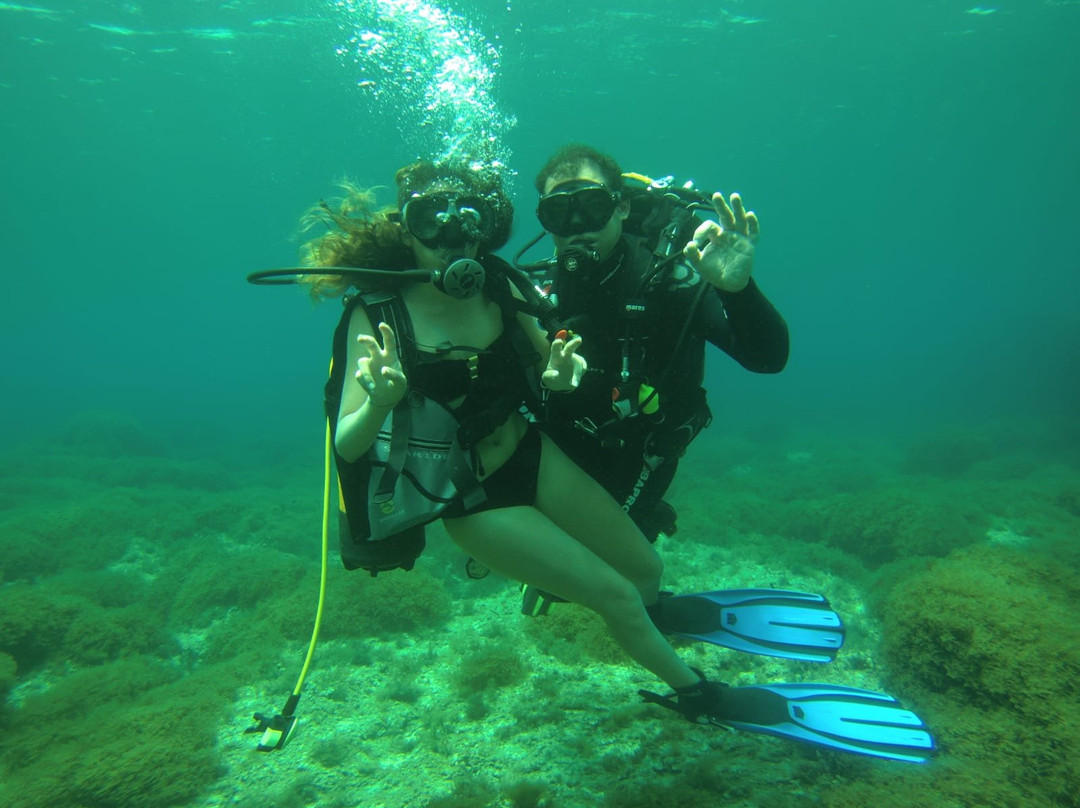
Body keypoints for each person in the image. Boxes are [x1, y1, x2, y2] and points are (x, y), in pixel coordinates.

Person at [288, 158, 935, 765]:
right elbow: (348, 445)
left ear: (487, 226)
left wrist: (560, 378)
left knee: (647, 570)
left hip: (531, 453)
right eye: (430, 222)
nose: (451, 240)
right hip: (469, 496)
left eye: (467, 222)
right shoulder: (377, 312)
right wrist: (380, 403)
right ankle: (702, 696)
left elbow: (551, 364)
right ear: (405, 228)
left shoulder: (501, 284)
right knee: (618, 596)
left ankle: (651, 616)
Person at [528, 143, 790, 544]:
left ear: (622, 208)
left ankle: (644, 520)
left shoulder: (667, 277)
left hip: (645, 447)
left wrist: (738, 292)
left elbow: (767, 359)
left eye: (593, 206)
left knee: (606, 550)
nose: (577, 224)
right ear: (545, 222)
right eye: (558, 212)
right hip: (562, 442)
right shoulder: (537, 292)